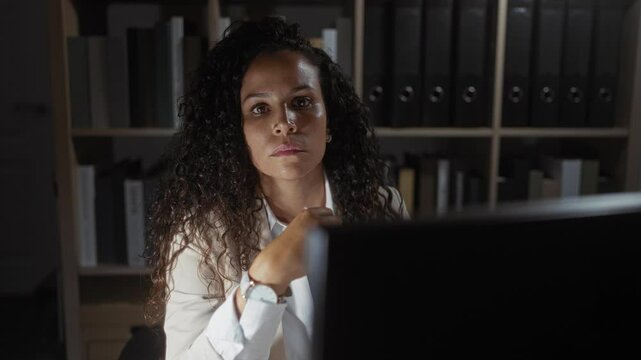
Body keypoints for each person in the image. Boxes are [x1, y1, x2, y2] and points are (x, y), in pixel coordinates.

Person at [146, 17, 409, 360]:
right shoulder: (198, 234)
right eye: (259, 109)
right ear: (236, 135)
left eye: (301, 102)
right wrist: (266, 278)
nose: (285, 123)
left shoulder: (383, 207)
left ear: (329, 120)